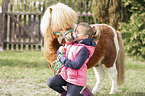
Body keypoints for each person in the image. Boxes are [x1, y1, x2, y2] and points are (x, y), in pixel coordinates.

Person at [47, 22, 96, 96]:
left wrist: (62, 59)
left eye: (78, 33)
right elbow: (60, 53)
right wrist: (60, 51)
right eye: (75, 31)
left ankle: (86, 94)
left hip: (76, 80)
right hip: (65, 75)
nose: (75, 34)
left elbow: (77, 65)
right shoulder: (72, 43)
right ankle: (64, 94)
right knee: (51, 82)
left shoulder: (84, 49)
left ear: (85, 36)